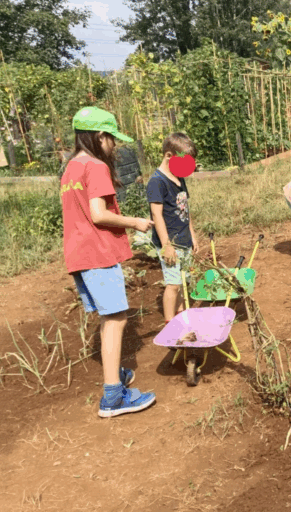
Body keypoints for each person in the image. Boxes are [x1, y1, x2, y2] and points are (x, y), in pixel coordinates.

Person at [60, 106, 156, 418]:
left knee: (109, 317)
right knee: (116, 319)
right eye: (111, 138)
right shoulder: (96, 167)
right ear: (100, 136)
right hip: (97, 252)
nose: (114, 145)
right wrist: (135, 222)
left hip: (79, 252)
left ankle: (115, 376)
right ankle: (113, 396)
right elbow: (99, 214)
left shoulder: (72, 166)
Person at [146, 133, 200, 325]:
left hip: (184, 239)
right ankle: (170, 323)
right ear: (169, 156)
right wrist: (166, 245)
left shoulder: (179, 178)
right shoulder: (156, 182)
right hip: (171, 243)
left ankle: (182, 314)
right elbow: (156, 215)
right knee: (173, 284)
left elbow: (186, 209)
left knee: (184, 281)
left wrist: (192, 235)